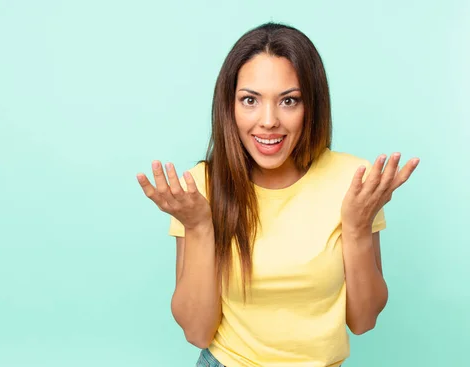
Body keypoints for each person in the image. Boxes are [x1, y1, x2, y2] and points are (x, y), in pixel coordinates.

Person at [136, 21, 419, 367]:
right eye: (250, 100)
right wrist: (198, 227)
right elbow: (197, 332)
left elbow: (364, 321)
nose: (268, 121)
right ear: (230, 106)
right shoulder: (200, 187)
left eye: (288, 100)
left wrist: (358, 228)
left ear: (311, 106)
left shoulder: (354, 181)